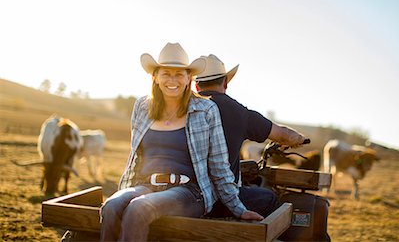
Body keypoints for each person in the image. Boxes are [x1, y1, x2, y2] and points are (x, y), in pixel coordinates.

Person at [100, 43, 263, 242]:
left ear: (188, 79)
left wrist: (238, 208)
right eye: (166, 73)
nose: (172, 80)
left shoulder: (206, 110)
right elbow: (136, 157)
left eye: (179, 74)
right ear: (155, 77)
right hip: (146, 185)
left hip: (188, 192)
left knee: (139, 208)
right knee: (111, 206)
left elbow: (219, 166)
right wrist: (125, 190)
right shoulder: (142, 107)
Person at [195, 54, 309, 218]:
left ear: (197, 86)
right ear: (225, 82)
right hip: (219, 200)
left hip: (188, 196)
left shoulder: (185, 107)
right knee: (269, 198)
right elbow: (283, 135)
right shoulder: (239, 112)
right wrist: (300, 139)